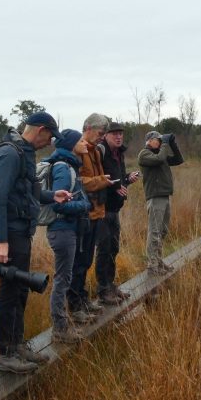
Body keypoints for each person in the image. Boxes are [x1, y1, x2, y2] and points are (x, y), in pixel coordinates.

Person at [0, 112, 71, 373]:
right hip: (11, 234)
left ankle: (18, 345)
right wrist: (1, 240)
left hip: (23, 231)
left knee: (20, 290)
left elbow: (27, 192)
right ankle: (6, 355)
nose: (50, 142)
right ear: (40, 129)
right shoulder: (10, 154)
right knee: (9, 291)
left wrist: (51, 195)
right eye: (49, 136)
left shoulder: (24, 153)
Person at [43, 129, 92, 343]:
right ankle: (60, 330)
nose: (86, 144)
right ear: (72, 144)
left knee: (65, 278)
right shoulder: (64, 168)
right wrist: (84, 205)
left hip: (65, 230)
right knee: (63, 280)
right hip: (62, 229)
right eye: (81, 140)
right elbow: (58, 203)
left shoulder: (69, 165)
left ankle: (62, 327)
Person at [67, 113, 113, 317]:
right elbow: (77, 184)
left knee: (86, 260)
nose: (102, 137)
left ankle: (83, 299)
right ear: (87, 128)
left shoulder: (95, 151)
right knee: (78, 261)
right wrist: (102, 180)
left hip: (95, 213)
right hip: (82, 215)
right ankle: (74, 305)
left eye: (104, 134)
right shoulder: (77, 150)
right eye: (100, 133)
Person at [96, 121, 139, 304]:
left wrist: (127, 179)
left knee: (114, 249)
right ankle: (103, 290)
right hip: (102, 209)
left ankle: (111, 285)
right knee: (104, 249)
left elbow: (118, 181)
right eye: (114, 134)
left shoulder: (119, 154)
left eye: (120, 133)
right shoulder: (100, 152)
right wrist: (114, 187)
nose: (119, 136)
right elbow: (96, 181)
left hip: (115, 210)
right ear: (105, 135)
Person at [137, 131, 184, 275]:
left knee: (163, 231)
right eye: (157, 140)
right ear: (149, 141)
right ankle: (152, 265)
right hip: (155, 196)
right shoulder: (144, 154)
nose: (159, 142)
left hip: (164, 195)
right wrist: (165, 143)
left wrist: (172, 143)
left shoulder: (160, 154)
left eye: (160, 140)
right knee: (155, 231)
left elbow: (178, 159)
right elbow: (158, 159)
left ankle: (158, 261)